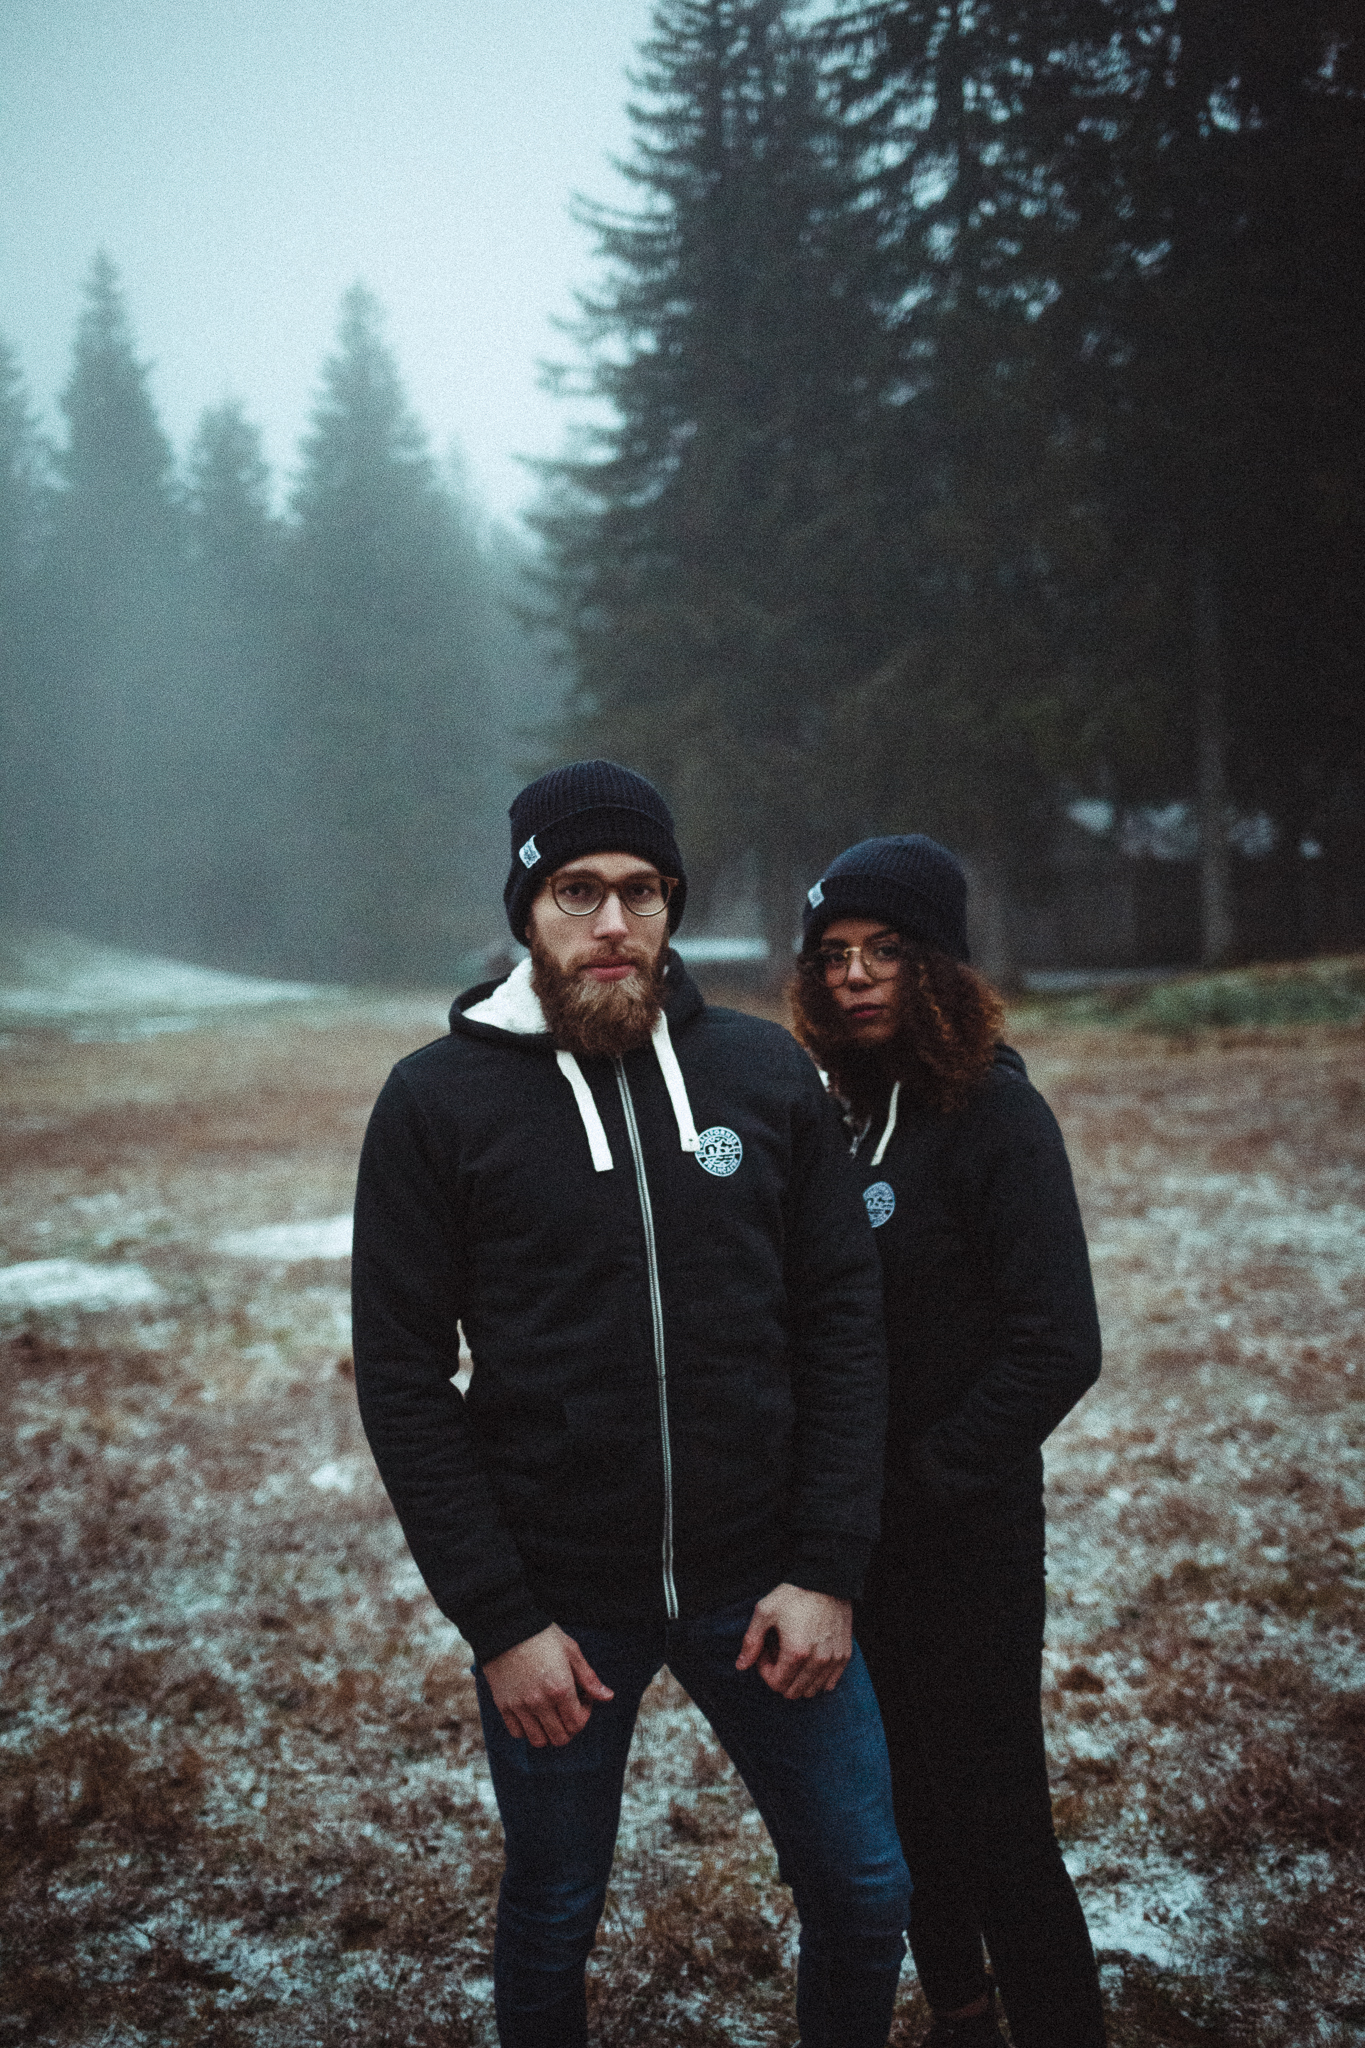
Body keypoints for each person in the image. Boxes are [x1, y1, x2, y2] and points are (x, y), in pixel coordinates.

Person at [351, 761, 910, 2048]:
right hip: (562, 1608)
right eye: (577, 891)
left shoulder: (763, 1074)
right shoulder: (435, 1103)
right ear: (527, 909)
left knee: (867, 1888)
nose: (613, 923)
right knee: (554, 1908)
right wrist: (503, 1623)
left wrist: (827, 1567)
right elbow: (403, 1377)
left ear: (670, 905)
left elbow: (843, 1324)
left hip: (766, 1587)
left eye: (642, 891)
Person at [791, 833, 1106, 2048]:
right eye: (833, 954)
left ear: (940, 966)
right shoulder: (836, 1118)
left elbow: (1058, 1343)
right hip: (853, 1542)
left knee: (999, 1818)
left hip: (965, 1537)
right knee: (902, 1803)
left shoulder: (997, 1116)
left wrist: (926, 1476)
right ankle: (962, 2013)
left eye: (885, 950)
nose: (855, 976)